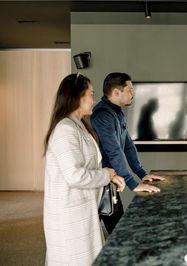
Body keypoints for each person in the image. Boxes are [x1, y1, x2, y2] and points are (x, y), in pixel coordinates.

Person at [43, 73, 126, 266]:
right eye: (90, 94)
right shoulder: (65, 129)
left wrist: (110, 175)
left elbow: (86, 166)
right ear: (77, 97)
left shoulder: (77, 125)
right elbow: (74, 175)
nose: (94, 99)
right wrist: (107, 174)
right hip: (69, 215)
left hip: (82, 210)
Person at [91, 72, 165, 234]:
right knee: (116, 233)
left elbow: (127, 146)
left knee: (119, 231)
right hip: (99, 182)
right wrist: (133, 184)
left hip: (111, 181)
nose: (133, 93)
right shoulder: (102, 115)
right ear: (117, 92)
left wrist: (141, 173)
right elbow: (114, 151)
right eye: (130, 90)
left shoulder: (116, 113)